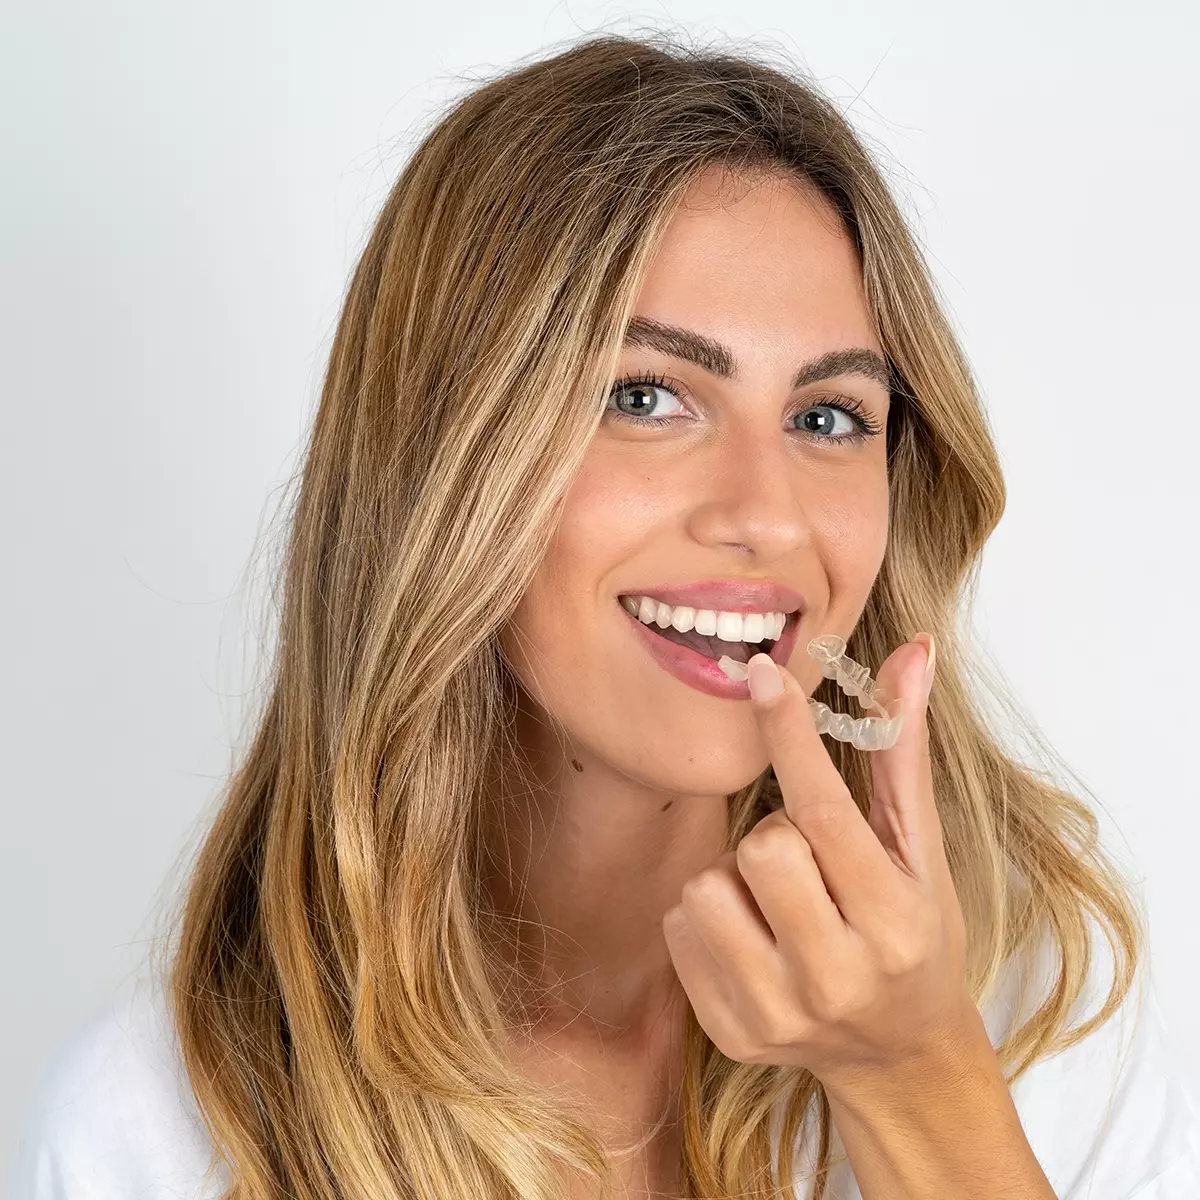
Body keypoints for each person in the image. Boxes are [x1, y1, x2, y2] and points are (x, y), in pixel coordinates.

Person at [13, 30, 1200, 1200]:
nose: (767, 515)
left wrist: (913, 1076)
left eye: (829, 417)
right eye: (646, 396)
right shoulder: (160, 1135)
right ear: (446, 457)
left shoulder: (1038, 1007)